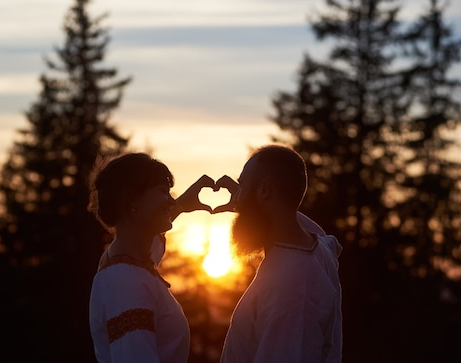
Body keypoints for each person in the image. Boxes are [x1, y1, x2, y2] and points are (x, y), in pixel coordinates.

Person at [216, 144, 343, 363]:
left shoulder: (290, 290)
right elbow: (308, 227)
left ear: (264, 190)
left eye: (242, 186)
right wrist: (248, 200)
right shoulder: (319, 249)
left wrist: (251, 202)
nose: (238, 196)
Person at [88, 152, 214, 363]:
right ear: (131, 200)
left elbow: (149, 240)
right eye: (163, 192)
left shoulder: (127, 261)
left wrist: (180, 206)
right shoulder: (125, 281)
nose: (170, 200)